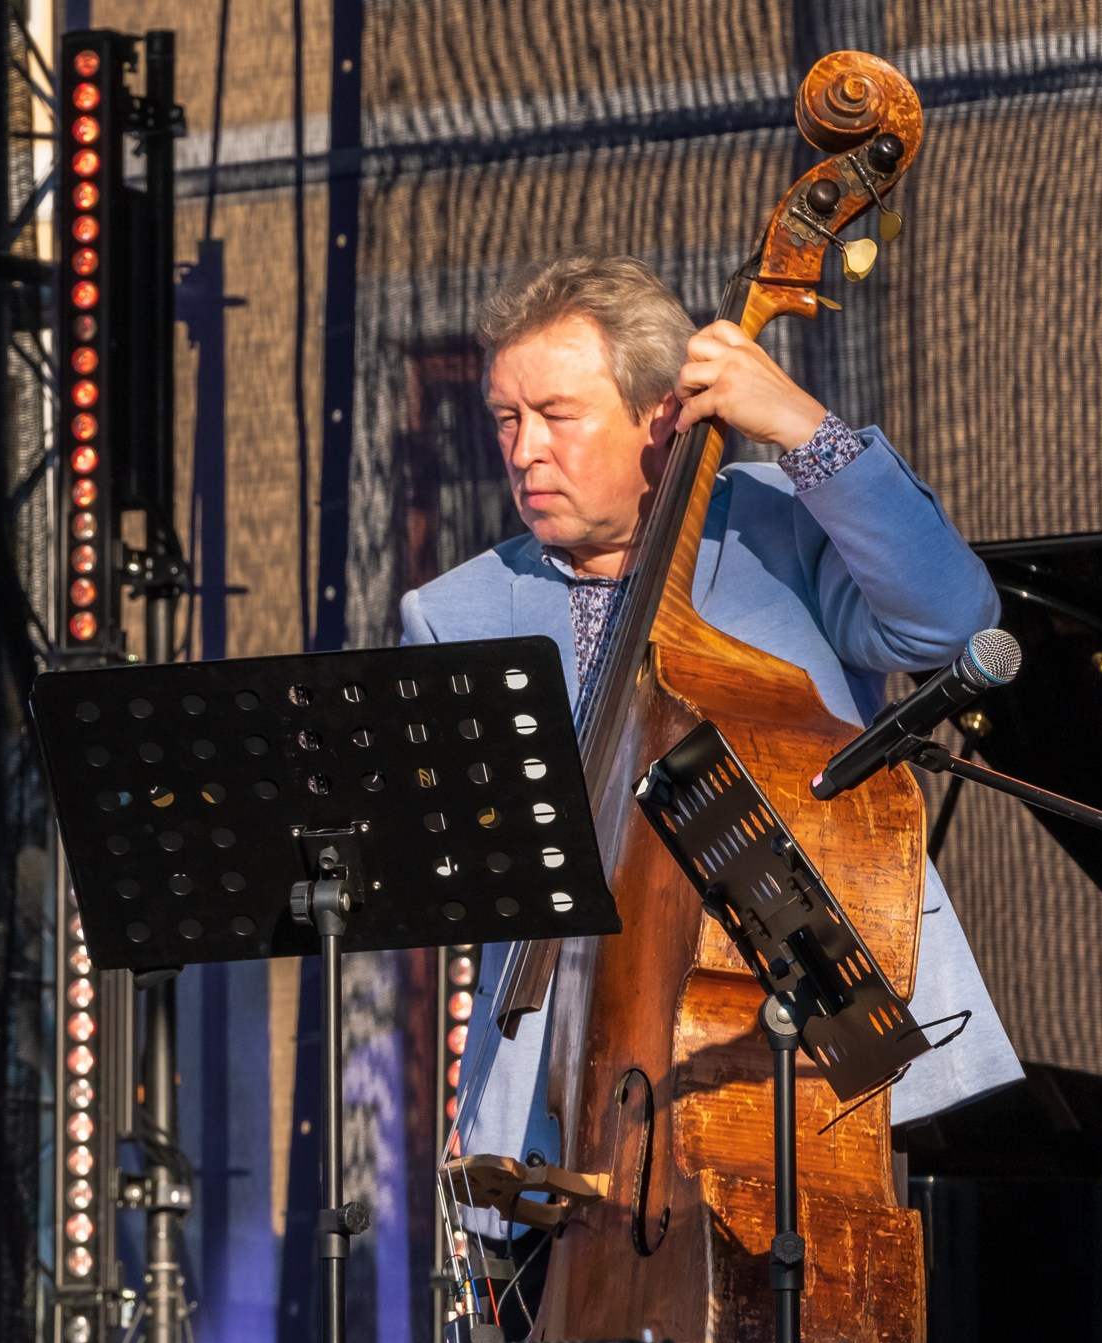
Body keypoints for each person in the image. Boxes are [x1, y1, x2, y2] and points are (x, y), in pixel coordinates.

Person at [400, 255, 1023, 1193]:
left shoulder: (784, 522)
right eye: (505, 418)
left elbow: (948, 624)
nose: (523, 449)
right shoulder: (458, 610)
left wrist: (807, 433)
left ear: (663, 414)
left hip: (812, 1054)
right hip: (566, 1099)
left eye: (556, 415)